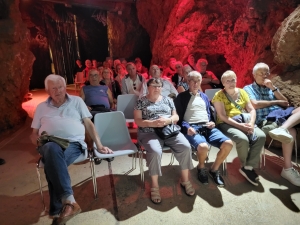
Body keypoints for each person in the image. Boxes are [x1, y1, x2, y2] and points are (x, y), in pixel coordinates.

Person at [30, 74, 113, 224]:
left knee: (52, 164)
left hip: (73, 144)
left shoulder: (77, 101)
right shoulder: (41, 107)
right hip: (48, 144)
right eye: (53, 88)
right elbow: (34, 133)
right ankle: (69, 202)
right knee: (51, 148)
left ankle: (57, 211)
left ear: (64, 87)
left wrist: (99, 145)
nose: (58, 91)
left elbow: (89, 124)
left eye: (60, 87)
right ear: (48, 91)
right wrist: (37, 142)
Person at [134, 78, 195, 204]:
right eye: (153, 86)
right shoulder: (141, 101)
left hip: (168, 130)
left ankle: (185, 180)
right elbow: (138, 120)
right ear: (148, 87)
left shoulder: (168, 99)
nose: (157, 88)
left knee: (186, 147)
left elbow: (176, 116)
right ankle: (155, 186)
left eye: (159, 86)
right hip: (149, 131)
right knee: (155, 151)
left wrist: (167, 121)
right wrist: (152, 123)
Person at [244, 62, 300, 186]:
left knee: (294, 122)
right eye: (261, 73)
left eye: (266, 73)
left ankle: (283, 129)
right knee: (292, 131)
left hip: (280, 116)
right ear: (254, 75)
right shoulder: (248, 88)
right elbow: (255, 104)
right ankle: (287, 168)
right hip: (265, 120)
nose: (264, 75)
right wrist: (275, 101)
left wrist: (273, 88)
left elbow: (285, 102)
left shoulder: (271, 87)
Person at [174, 71, 233, 187]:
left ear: (201, 82)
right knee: (203, 146)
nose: (196, 83)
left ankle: (214, 169)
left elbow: (209, 113)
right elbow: (178, 118)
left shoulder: (204, 96)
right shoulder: (181, 97)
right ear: (188, 82)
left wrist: (212, 122)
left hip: (207, 126)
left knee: (228, 144)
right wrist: (187, 128)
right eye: (192, 81)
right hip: (192, 127)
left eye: (198, 81)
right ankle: (201, 168)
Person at [212, 70, 266, 186]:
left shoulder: (242, 92)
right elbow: (222, 115)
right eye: (228, 81)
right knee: (242, 139)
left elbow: (251, 109)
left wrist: (251, 123)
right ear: (223, 83)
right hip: (226, 123)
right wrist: (241, 126)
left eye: (233, 80)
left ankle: (248, 166)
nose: (231, 83)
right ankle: (244, 165)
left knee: (261, 136)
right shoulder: (219, 95)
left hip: (244, 121)